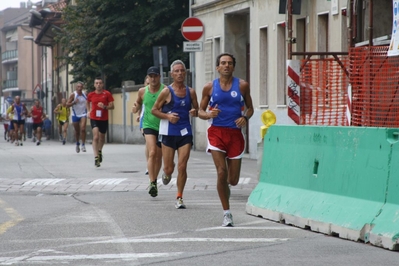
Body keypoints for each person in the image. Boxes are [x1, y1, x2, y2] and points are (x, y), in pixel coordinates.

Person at [198, 53, 254, 227]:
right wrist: (207, 114)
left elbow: (250, 108)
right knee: (221, 171)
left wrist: (245, 118)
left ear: (233, 67)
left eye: (229, 63)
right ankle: (227, 213)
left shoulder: (243, 85)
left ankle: (225, 187)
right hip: (216, 133)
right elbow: (199, 110)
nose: (226, 66)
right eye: (223, 63)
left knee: (233, 180)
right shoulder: (209, 87)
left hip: (235, 135)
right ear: (217, 67)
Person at [151, 60, 199, 208]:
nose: (179, 73)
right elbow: (154, 110)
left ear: (185, 73)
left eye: (182, 71)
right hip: (169, 133)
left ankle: (179, 197)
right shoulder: (166, 91)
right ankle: (166, 173)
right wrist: (168, 117)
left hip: (185, 132)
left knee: (182, 166)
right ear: (172, 74)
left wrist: (194, 112)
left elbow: (197, 110)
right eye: (176, 71)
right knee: (169, 169)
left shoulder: (190, 92)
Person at [132, 66, 165, 197]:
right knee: (152, 152)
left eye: (155, 76)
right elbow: (138, 104)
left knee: (159, 156)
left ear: (159, 77)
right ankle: (152, 182)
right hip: (148, 125)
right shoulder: (142, 91)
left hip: (163, 126)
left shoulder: (166, 90)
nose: (153, 78)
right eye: (150, 76)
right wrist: (135, 109)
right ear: (148, 78)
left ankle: (155, 179)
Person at [86, 77, 114, 167]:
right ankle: (96, 157)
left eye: (100, 83)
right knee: (96, 137)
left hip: (104, 118)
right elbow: (87, 102)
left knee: (102, 138)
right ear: (94, 85)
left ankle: (99, 151)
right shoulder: (91, 95)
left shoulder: (107, 94)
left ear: (102, 84)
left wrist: (104, 107)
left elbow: (112, 106)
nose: (98, 85)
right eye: (97, 83)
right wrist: (88, 111)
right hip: (94, 117)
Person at [67, 81, 88, 153]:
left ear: (83, 87)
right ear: (76, 87)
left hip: (83, 114)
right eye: (78, 87)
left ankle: (83, 145)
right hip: (75, 114)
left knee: (83, 129)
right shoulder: (73, 95)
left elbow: (89, 102)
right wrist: (74, 102)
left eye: (81, 87)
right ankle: (77, 143)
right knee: (77, 131)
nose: (79, 88)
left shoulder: (85, 94)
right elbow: (67, 104)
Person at [137, 75, 150, 175]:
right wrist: (138, 115)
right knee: (149, 143)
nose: (149, 85)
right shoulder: (142, 92)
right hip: (144, 120)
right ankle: (148, 165)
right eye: (147, 83)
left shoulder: (161, 92)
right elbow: (139, 104)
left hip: (157, 120)